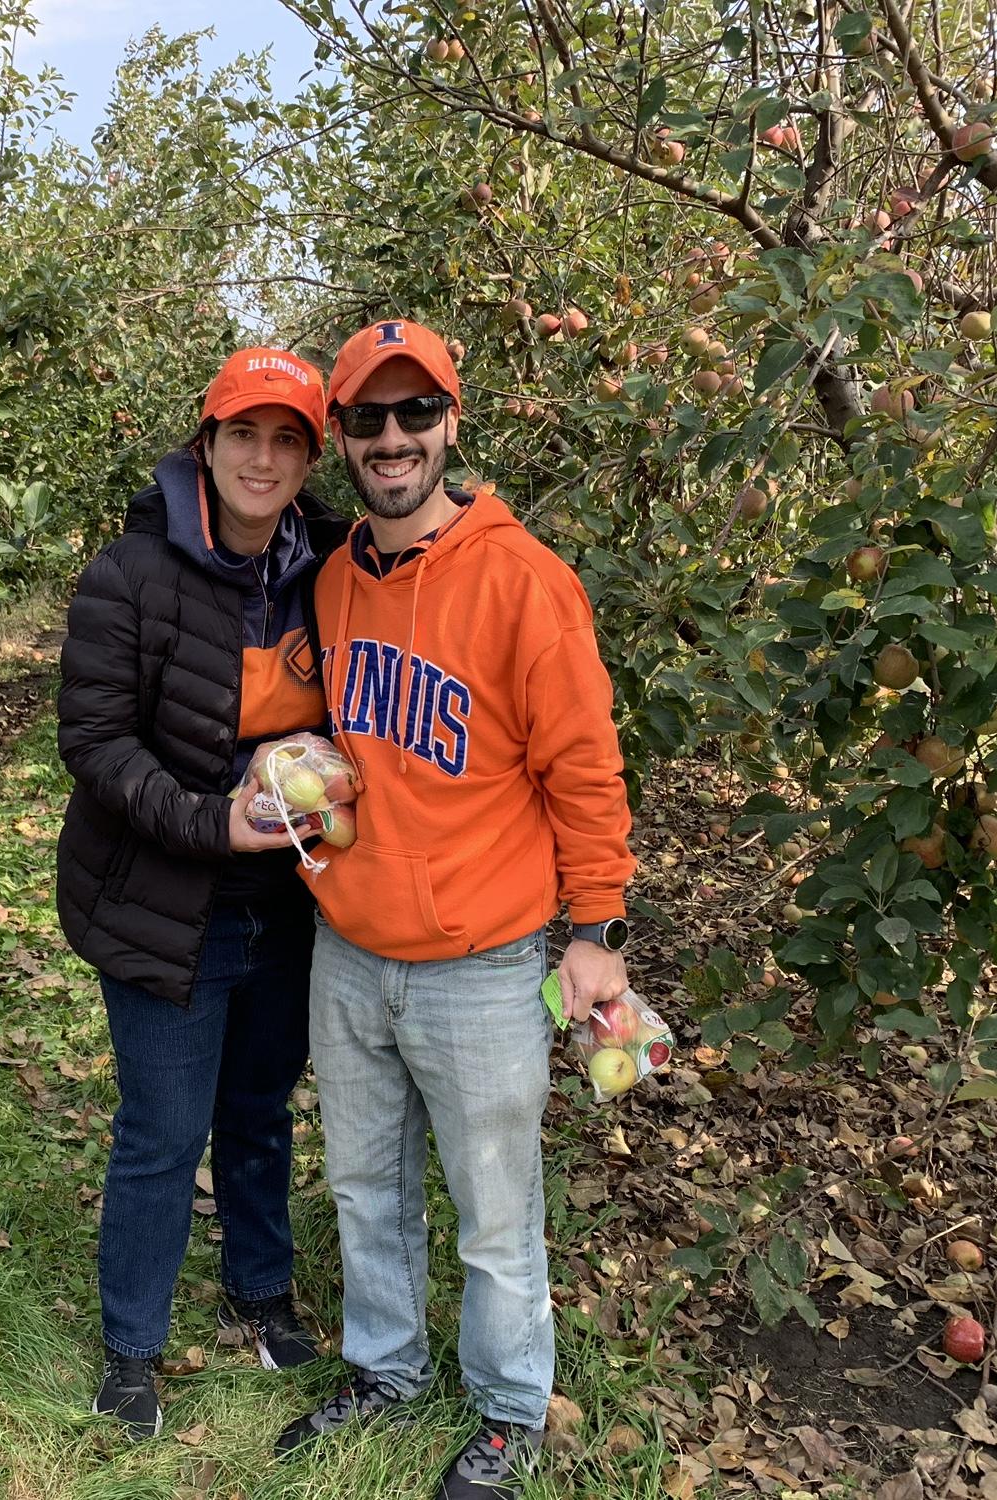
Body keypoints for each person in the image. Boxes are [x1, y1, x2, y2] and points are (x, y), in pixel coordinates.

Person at [275, 319, 636, 1499]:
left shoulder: (524, 579)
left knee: (493, 1211)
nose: (394, 438)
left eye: (416, 412)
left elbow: (584, 766)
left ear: (451, 423)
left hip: (481, 963)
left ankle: (510, 1409)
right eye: (368, 418)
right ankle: (385, 1370)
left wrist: (597, 931)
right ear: (341, 438)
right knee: (365, 1188)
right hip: (348, 947)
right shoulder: (334, 580)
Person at [56, 346, 350, 1440]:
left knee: (260, 1112)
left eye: (286, 440)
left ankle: (258, 1292)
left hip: (292, 900)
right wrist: (211, 820)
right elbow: (95, 741)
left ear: (308, 459)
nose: (262, 459)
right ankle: (131, 1349)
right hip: (166, 898)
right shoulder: (131, 574)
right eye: (243, 435)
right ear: (207, 443)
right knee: (164, 1130)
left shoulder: (330, 569)